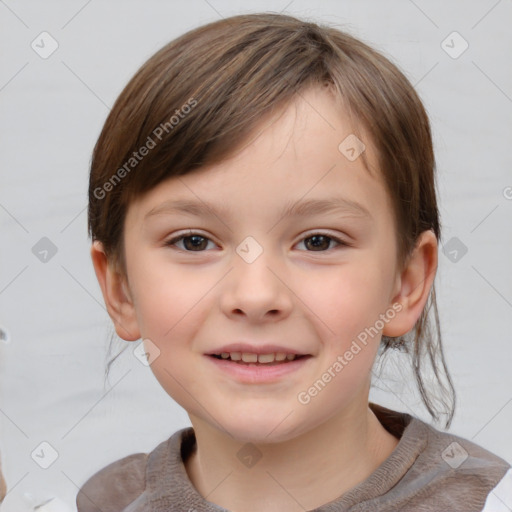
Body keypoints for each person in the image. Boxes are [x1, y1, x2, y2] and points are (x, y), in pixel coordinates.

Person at [76, 12, 511, 512]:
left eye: (319, 242)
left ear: (405, 285)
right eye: (194, 242)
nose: (256, 296)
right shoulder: (100, 502)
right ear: (120, 289)